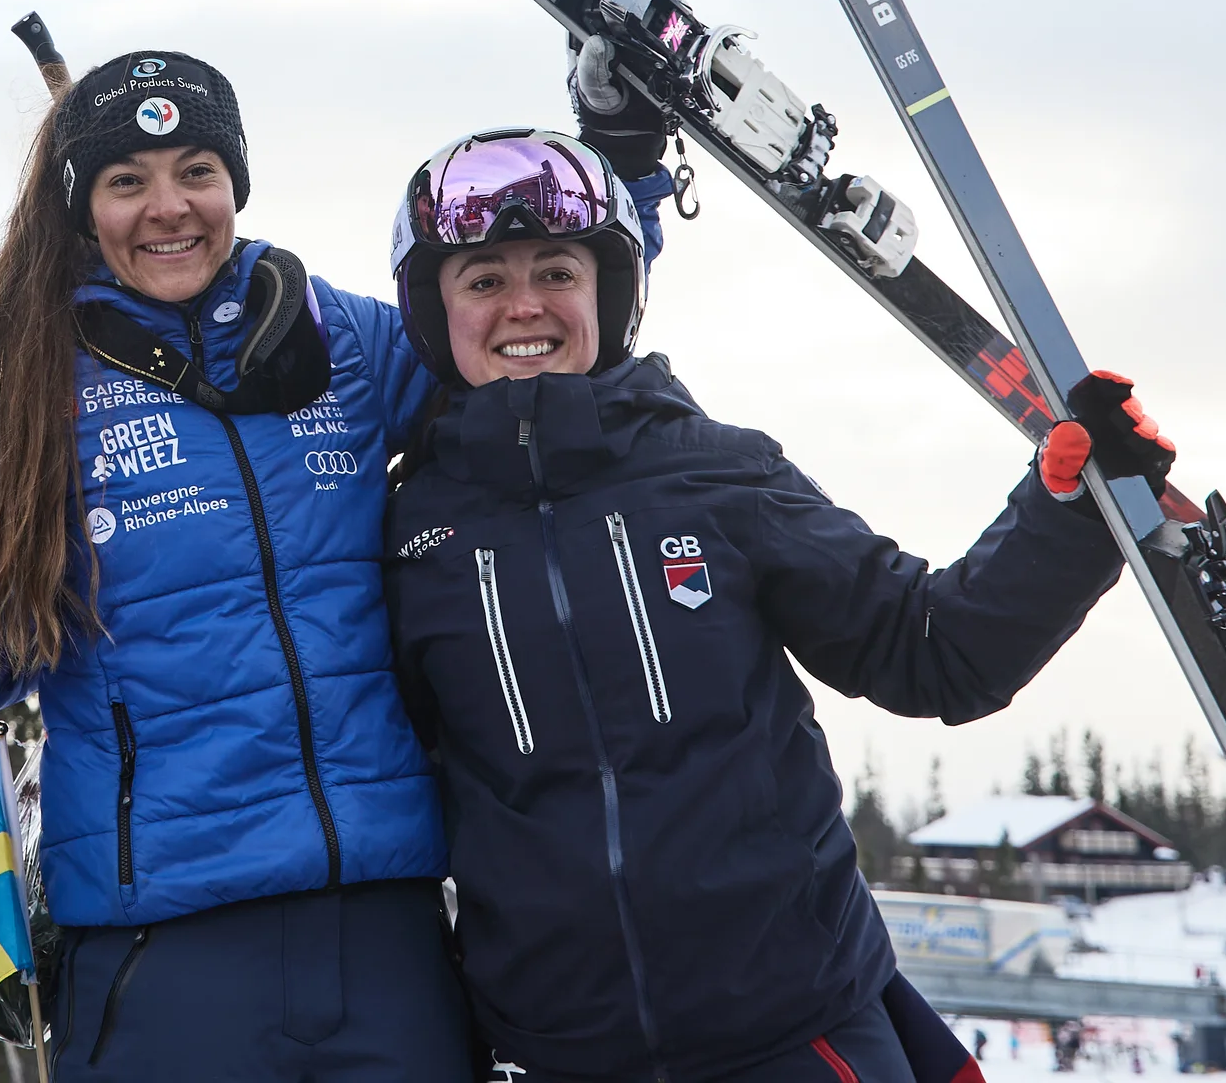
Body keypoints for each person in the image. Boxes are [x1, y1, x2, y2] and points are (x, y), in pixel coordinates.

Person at [383, 89, 1176, 1083]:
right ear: (434, 311)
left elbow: (934, 653)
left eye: (557, 271)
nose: (525, 304)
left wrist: (1067, 517)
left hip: (793, 1033)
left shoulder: (716, 475)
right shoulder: (411, 532)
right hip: (559, 1054)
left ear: (611, 293)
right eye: (483, 279)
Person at [0, 49, 673, 1081]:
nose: (168, 208)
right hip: (164, 940)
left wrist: (626, 165)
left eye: (196, 170)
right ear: (80, 207)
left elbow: (538, 344)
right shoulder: (30, 390)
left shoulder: (340, 339)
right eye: (126, 181)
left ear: (236, 181)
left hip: (383, 927)